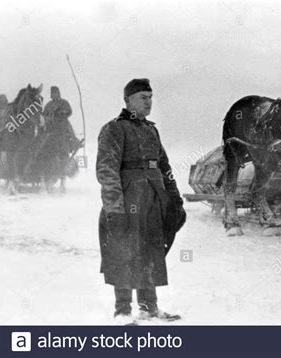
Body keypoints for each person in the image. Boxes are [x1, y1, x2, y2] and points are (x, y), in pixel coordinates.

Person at [96, 78, 186, 324]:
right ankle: (123, 311)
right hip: (127, 201)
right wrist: (115, 209)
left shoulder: (151, 130)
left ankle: (149, 307)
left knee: (150, 251)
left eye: (150, 97)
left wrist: (175, 200)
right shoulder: (114, 129)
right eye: (142, 98)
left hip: (154, 200)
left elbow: (165, 168)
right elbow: (107, 171)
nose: (148, 102)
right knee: (123, 251)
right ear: (127, 101)